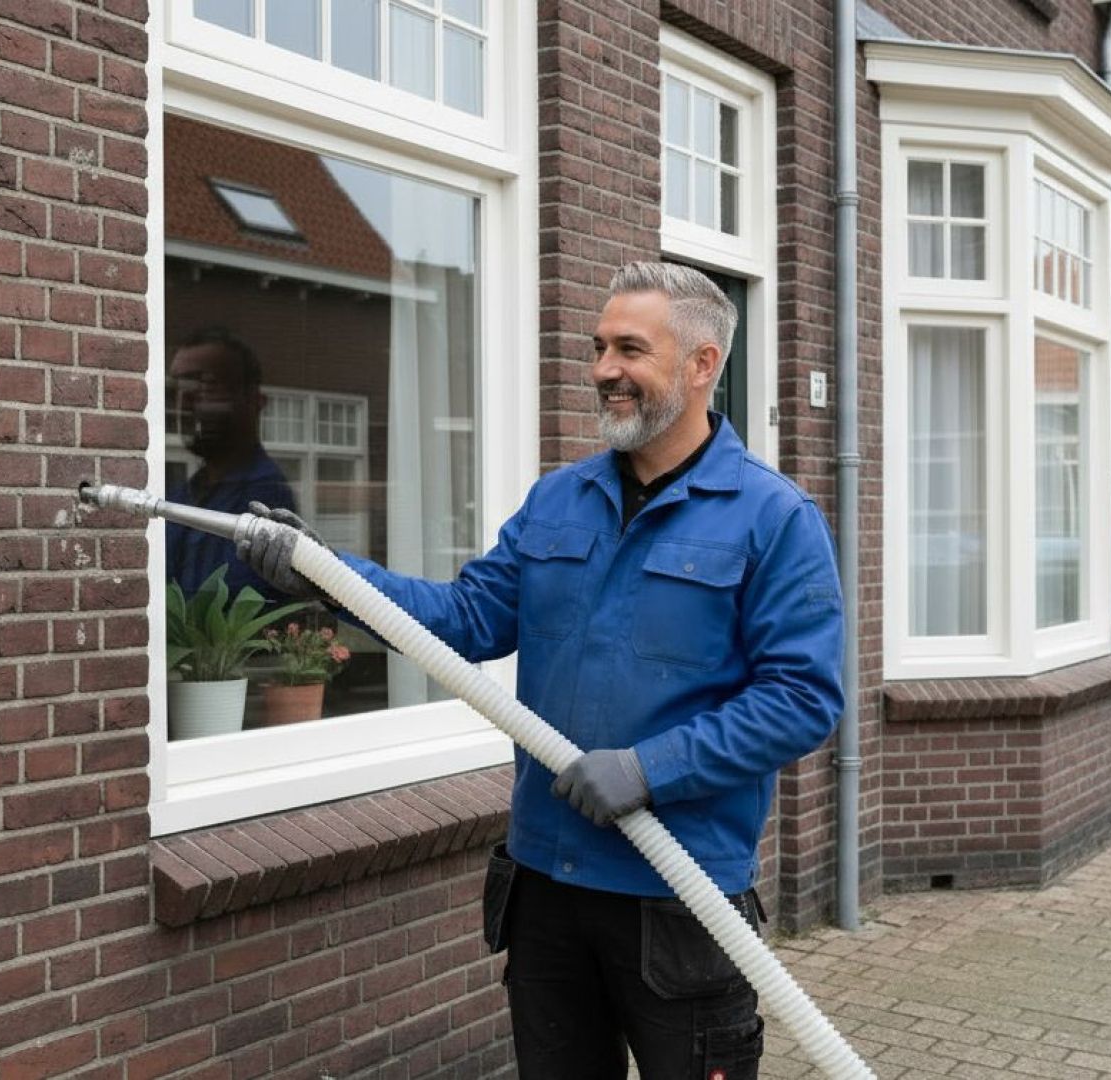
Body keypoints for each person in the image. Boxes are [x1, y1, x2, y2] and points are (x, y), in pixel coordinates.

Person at [238, 262, 843, 1079]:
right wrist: (321, 572)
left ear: (703, 365)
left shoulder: (775, 519)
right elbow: (463, 621)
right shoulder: (557, 501)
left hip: (679, 898)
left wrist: (649, 769)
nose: (602, 370)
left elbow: (801, 700)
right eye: (598, 348)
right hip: (546, 891)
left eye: (630, 348)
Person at [164, 328, 299, 599]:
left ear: (253, 401)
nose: (184, 403)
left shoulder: (266, 499)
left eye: (205, 385)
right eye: (177, 390)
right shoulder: (183, 494)